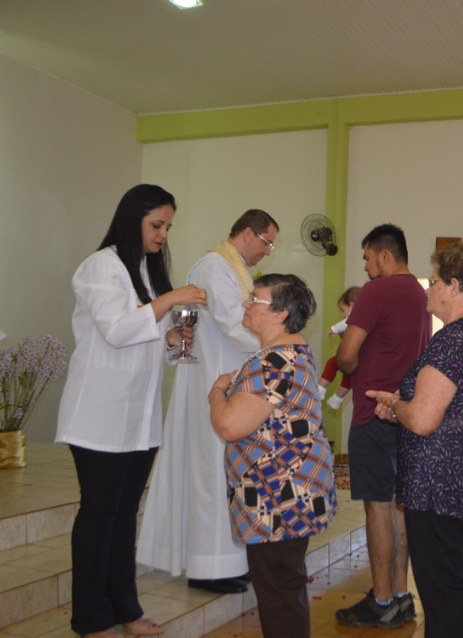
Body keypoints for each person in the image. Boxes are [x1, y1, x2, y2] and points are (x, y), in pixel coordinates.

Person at [55, 184, 208, 638]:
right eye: (156, 225)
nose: (163, 234)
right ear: (132, 219)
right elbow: (119, 331)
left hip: (139, 420)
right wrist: (170, 299)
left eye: (168, 226)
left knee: (124, 517)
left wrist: (178, 338)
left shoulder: (146, 270)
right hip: (99, 418)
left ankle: (125, 607)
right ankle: (90, 617)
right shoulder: (99, 267)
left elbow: (152, 345)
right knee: (99, 516)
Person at [365, 242, 463, 638]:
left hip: (438, 486)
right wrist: (401, 407)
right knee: (457, 588)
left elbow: (425, 420)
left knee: (444, 597)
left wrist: (397, 406)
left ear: (455, 285)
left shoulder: (454, 340)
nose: (428, 290)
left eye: (433, 282)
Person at [137, 209, 279, 595]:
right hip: (210, 383)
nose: (267, 251)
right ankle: (206, 567)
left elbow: (201, 325)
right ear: (247, 232)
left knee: (225, 474)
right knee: (209, 472)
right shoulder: (215, 266)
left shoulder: (232, 269)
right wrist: (279, 349)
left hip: (223, 380)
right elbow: (235, 325)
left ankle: (226, 562)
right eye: (266, 242)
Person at [208, 274, 336, 638]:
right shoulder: (291, 351)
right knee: (284, 588)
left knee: (278, 591)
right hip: (291, 492)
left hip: (278, 498)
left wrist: (218, 391)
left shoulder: (273, 361)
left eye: (256, 300)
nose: (246, 305)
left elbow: (230, 426)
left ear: (280, 313)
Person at [334, 224, 431, 628]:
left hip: (373, 413)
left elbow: (345, 354)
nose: (366, 266)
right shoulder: (422, 294)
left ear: (384, 255)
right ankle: (401, 595)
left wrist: (354, 370)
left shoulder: (376, 291)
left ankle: (380, 599)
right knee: (400, 507)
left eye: (368, 257)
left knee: (377, 507)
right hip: (407, 412)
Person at [318, 286, 360, 410]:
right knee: (348, 376)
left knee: (332, 363)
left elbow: (345, 322)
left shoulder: (355, 318)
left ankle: (320, 388)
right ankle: (337, 398)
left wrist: (333, 329)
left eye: (343, 310)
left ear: (353, 306)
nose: (343, 315)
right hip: (360, 360)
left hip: (356, 357)